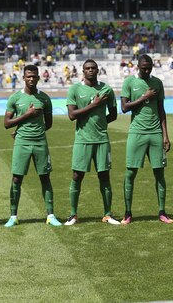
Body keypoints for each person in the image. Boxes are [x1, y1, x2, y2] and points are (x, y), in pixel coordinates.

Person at [3, 65, 62, 227]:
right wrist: (26, 115)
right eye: (28, 76)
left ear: (38, 78)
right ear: (23, 78)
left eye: (34, 76)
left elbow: (48, 123)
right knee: (16, 178)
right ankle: (13, 216)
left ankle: (50, 215)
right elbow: (6, 123)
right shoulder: (15, 98)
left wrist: (37, 132)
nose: (31, 79)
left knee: (45, 177)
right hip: (22, 142)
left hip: (40, 142)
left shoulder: (44, 98)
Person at [64, 59, 119, 226]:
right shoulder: (74, 89)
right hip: (82, 140)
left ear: (98, 70)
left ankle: (108, 214)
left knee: (104, 176)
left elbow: (114, 114)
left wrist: (101, 122)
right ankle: (73, 214)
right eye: (87, 68)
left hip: (101, 139)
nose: (91, 71)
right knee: (77, 175)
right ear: (83, 71)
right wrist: (94, 105)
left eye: (93, 68)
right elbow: (72, 115)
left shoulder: (106, 89)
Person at [121, 54, 171, 225]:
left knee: (159, 173)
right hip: (137, 132)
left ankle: (162, 212)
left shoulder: (157, 83)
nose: (147, 69)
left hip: (156, 132)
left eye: (149, 67)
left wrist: (165, 135)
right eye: (144, 67)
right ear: (138, 66)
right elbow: (124, 107)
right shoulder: (129, 82)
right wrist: (144, 97)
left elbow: (161, 110)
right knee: (130, 173)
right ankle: (127, 213)